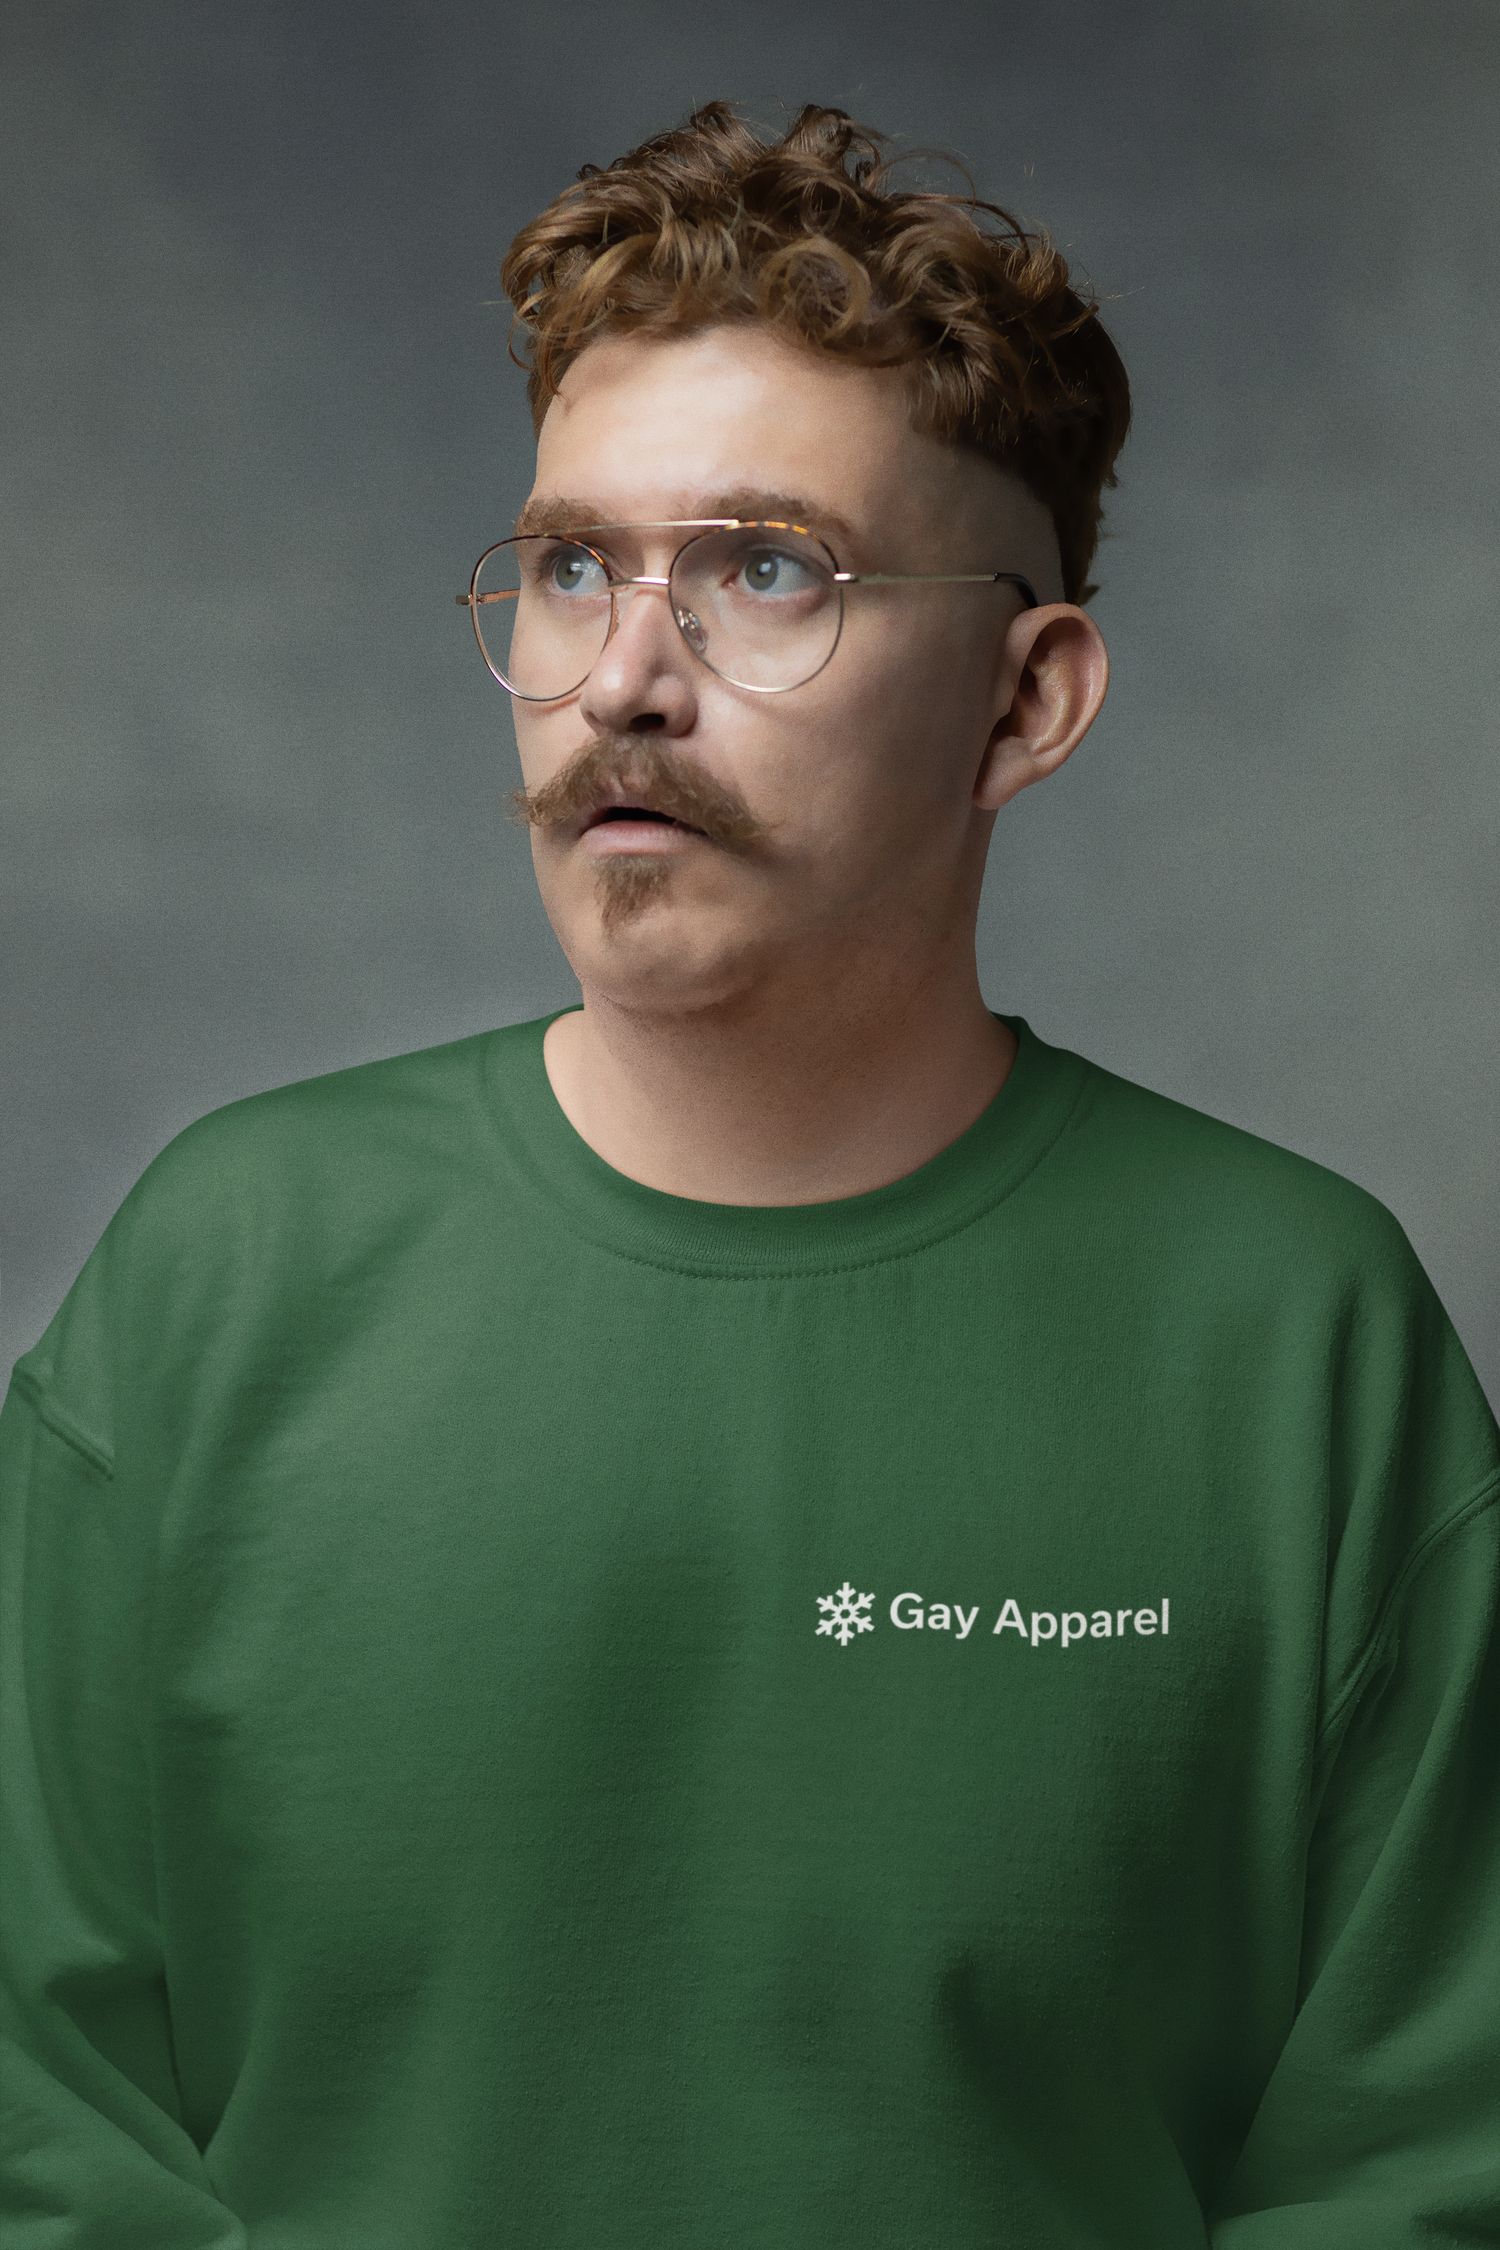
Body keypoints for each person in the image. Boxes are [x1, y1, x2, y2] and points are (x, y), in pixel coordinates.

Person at [2, 100, 1496, 2249]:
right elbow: (38, 2121)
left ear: (1025, 700)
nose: (622, 675)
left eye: (767, 571)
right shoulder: (218, 1274)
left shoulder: (1301, 1340)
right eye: (570, 565)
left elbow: (1431, 2166)